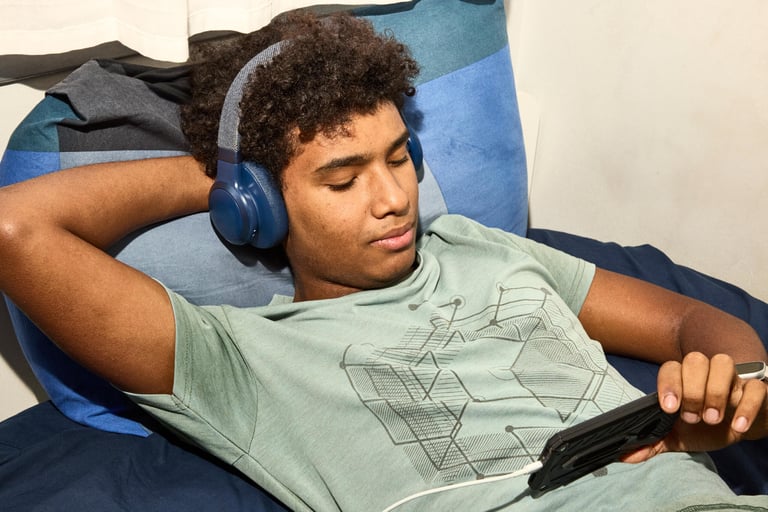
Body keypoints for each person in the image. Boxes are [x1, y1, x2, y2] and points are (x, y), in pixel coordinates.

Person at [0, 10, 767, 512]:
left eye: (399, 158)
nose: (393, 198)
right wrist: (229, 177)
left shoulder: (478, 248)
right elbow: (16, 230)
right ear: (261, 204)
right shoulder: (238, 359)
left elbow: (685, 319)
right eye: (342, 178)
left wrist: (736, 385)